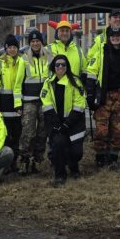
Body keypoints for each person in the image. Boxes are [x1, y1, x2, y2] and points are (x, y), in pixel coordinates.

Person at [86, 10, 120, 164]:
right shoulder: (100, 45)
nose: (115, 38)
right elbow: (91, 68)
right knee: (101, 129)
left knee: (119, 128)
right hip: (104, 95)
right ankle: (100, 156)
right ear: (109, 20)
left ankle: (114, 156)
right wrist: (90, 93)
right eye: (114, 17)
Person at [42, 54, 87, 186]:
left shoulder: (75, 82)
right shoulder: (48, 83)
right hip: (56, 123)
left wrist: (67, 124)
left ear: (67, 67)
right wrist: (57, 124)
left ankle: (73, 166)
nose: (60, 67)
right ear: (53, 67)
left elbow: (79, 104)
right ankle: (60, 174)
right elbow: (46, 104)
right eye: (58, 65)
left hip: (74, 122)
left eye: (63, 64)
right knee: (58, 145)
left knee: (76, 152)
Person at [17, 30, 51, 174]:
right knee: (28, 132)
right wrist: (18, 104)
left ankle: (38, 161)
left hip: (45, 101)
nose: (35, 43)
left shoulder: (49, 57)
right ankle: (24, 161)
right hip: (29, 102)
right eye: (32, 41)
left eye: (37, 41)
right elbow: (18, 83)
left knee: (43, 132)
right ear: (29, 43)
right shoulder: (24, 59)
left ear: (41, 42)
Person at [0, 35, 26, 160]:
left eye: (14, 47)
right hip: (3, 103)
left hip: (18, 102)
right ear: (6, 49)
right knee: (6, 134)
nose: (12, 50)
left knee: (17, 134)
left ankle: (15, 161)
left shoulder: (22, 62)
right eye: (10, 47)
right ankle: (6, 160)